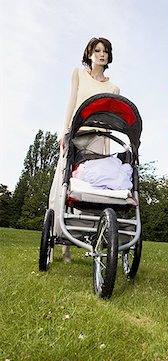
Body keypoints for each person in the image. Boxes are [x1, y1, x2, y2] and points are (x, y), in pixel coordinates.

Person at [49, 37, 120, 262]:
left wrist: (107, 152)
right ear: (89, 54)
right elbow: (71, 101)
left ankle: (85, 237)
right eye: (97, 50)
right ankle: (56, 240)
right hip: (76, 134)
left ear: (109, 56)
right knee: (63, 183)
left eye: (105, 51)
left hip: (98, 138)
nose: (101, 54)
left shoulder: (113, 88)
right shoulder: (78, 74)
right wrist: (65, 131)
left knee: (90, 187)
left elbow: (110, 122)